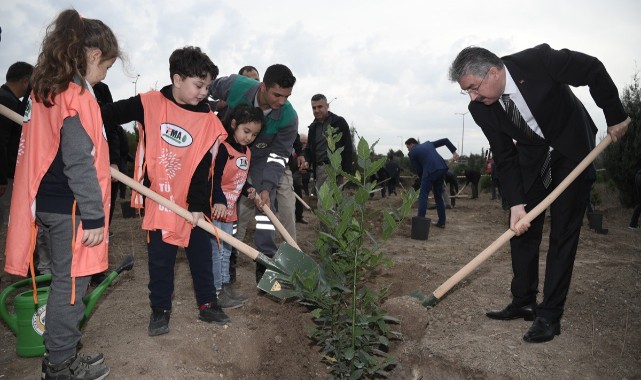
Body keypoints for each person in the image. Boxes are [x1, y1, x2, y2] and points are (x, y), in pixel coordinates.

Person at [449, 44, 630, 343]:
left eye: (473, 88)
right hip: (533, 160)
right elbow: (504, 155)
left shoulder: (539, 61)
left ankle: (549, 315)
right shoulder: (480, 108)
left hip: (571, 149)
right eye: (466, 92)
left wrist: (615, 115)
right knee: (520, 229)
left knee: (563, 233)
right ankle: (524, 301)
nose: (472, 97)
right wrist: (516, 204)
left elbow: (592, 69)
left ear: (493, 72)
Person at [4, 9, 120, 379]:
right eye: (106, 67)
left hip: (52, 206)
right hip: (71, 208)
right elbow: (77, 163)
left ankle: (61, 352)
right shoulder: (74, 95)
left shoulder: (48, 90)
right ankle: (60, 365)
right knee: (71, 290)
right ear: (92, 56)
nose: (104, 76)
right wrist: (94, 215)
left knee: (64, 285)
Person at [101, 46, 230, 335]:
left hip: (193, 202)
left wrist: (197, 206)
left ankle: (208, 304)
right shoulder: (150, 103)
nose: (204, 92)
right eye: (199, 85)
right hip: (158, 198)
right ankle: (160, 310)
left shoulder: (208, 120)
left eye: (208, 87)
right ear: (177, 79)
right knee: (161, 260)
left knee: (201, 255)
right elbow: (106, 115)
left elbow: (201, 166)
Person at [210, 64, 298, 284]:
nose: (282, 102)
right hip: (226, 151)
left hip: (261, 159)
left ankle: (265, 260)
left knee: (266, 208)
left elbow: (278, 157)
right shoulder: (236, 86)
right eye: (277, 95)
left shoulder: (288, 117)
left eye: (287, 96)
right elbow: (204, 87)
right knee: (228, 203)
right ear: (263, 86)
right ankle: (226, 256)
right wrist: (211, 107)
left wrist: (266, 186)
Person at [210, 104, 263, 309]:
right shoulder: (224, 148)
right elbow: (213, 177)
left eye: (254, 134)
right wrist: (219, 201)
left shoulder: (247, 152)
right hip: (217, 209)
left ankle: (224, 287)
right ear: (234, 125)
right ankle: (215, 291)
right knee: (216, 250)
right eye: (246, 131)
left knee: (227, 250)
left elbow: (238, 181)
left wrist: (249, 189)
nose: (249, 137)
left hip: (230, 210)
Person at [0, 61, 33, 227]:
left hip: (7, 173)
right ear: (25, 81)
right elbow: (1, 142)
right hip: (6, 176)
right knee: (9, 224)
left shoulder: (9, 100)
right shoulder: (6, 103)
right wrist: (2, 178)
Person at [405, 137, 459, 228]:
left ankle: (420, 224)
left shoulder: (412, 153)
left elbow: (419, 169)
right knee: (438, 196)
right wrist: (454, 152)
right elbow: (445, 140)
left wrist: (424, 182)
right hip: (442, 169)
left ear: (411, 144)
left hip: (430, 171)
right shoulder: (428, 144)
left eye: (407, 147)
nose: (408, 149)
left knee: (423, 195)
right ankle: (441, 222)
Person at [305, 93, 353, 193]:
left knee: (336, 201)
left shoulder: (339, 122)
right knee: (323, 203)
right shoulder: (313, 127)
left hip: (336, 168)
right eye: (314, 108)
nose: (316, 110)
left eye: (320, 107)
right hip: (320, 169)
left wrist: (346, 172)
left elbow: (348, 147)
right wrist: (306, 161)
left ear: (327, 106)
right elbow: (309, 148)